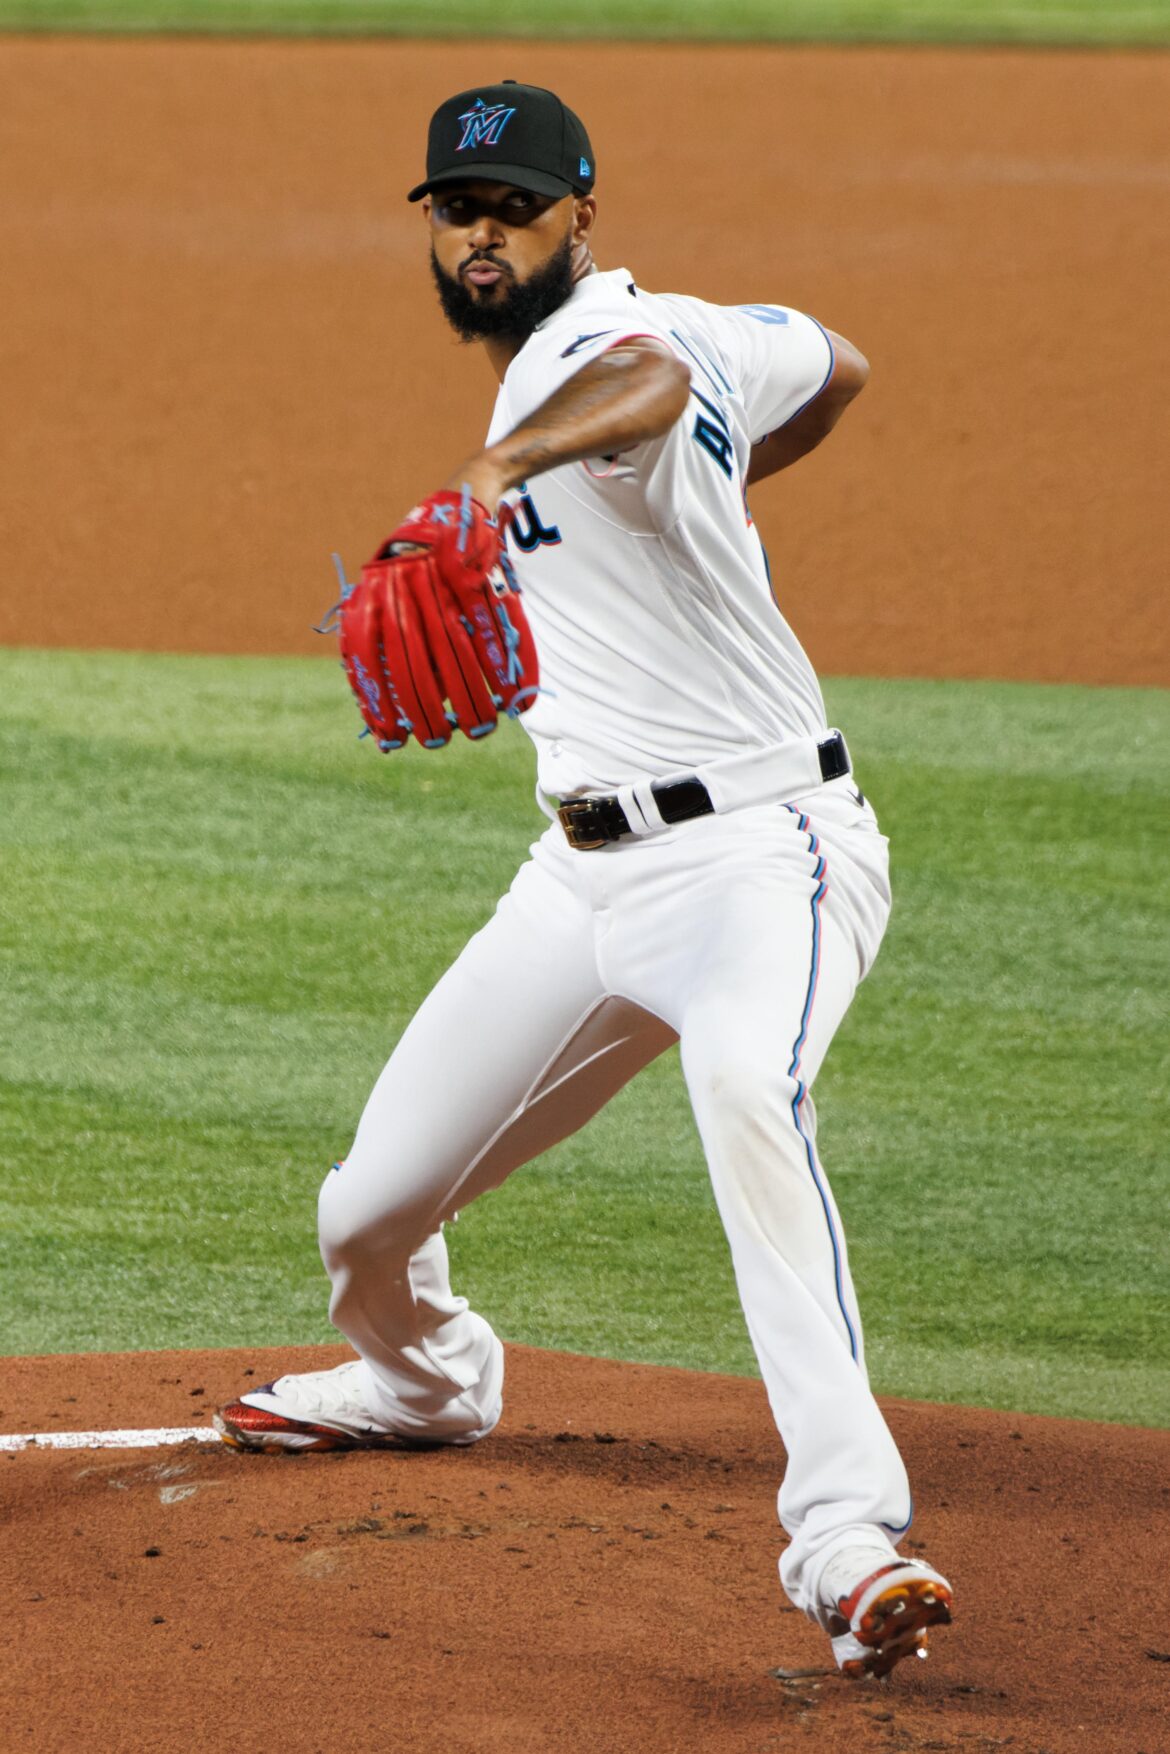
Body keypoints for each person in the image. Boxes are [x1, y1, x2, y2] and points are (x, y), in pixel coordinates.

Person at [215, 80, 953, 1680]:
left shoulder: (593, 350)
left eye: (515, 210)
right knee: (369, 1211)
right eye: (457, 212)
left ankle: (843, 1535)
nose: (481, 239)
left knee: (749, 1096)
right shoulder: (687, 329)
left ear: (580, 217)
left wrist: (497, 475)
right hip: (581, 882)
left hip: (765, 855)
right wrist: (730, 480)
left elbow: (652, 375)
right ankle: (425, 1376)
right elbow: (831, 364)